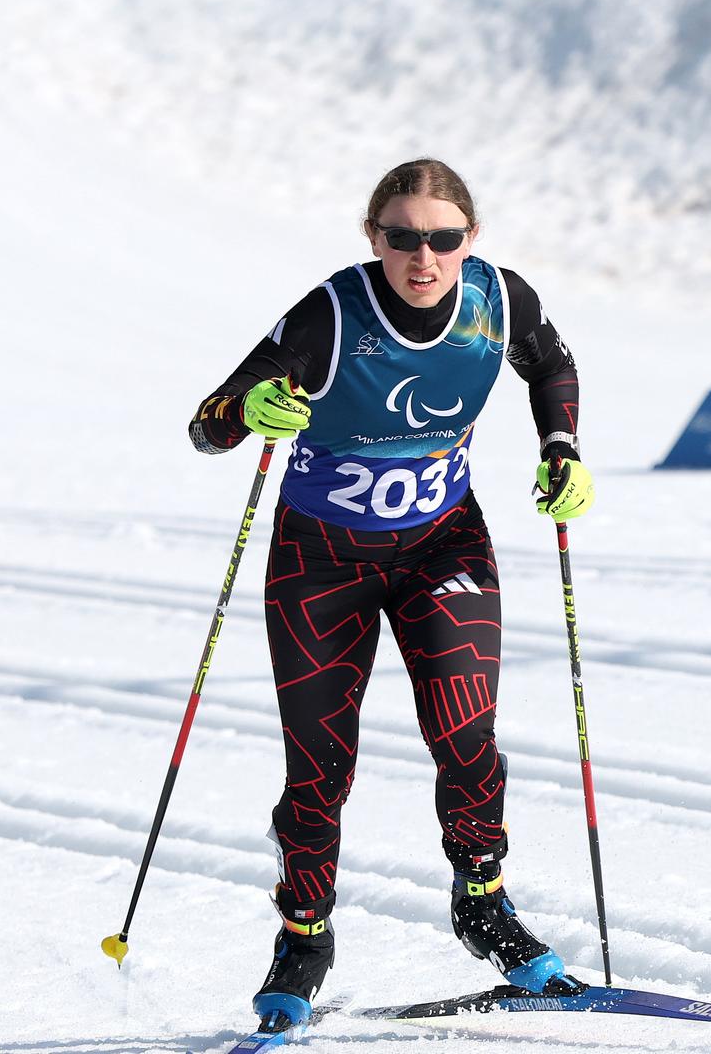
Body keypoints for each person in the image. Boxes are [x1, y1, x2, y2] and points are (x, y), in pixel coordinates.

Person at [189, 158, 594, 1031]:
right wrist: (248, 410)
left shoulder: (500, 299)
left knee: (465, 729)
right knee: (320, 766)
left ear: (469, 241)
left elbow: (552, 365)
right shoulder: (331, 312)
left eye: (443, 238)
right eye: (402, 236)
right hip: (320, 560)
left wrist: (561, 446)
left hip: (442, 542)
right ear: (373, 238)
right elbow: (207, 422)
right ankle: (304, 935)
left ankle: (482, 900)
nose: (424, 256)